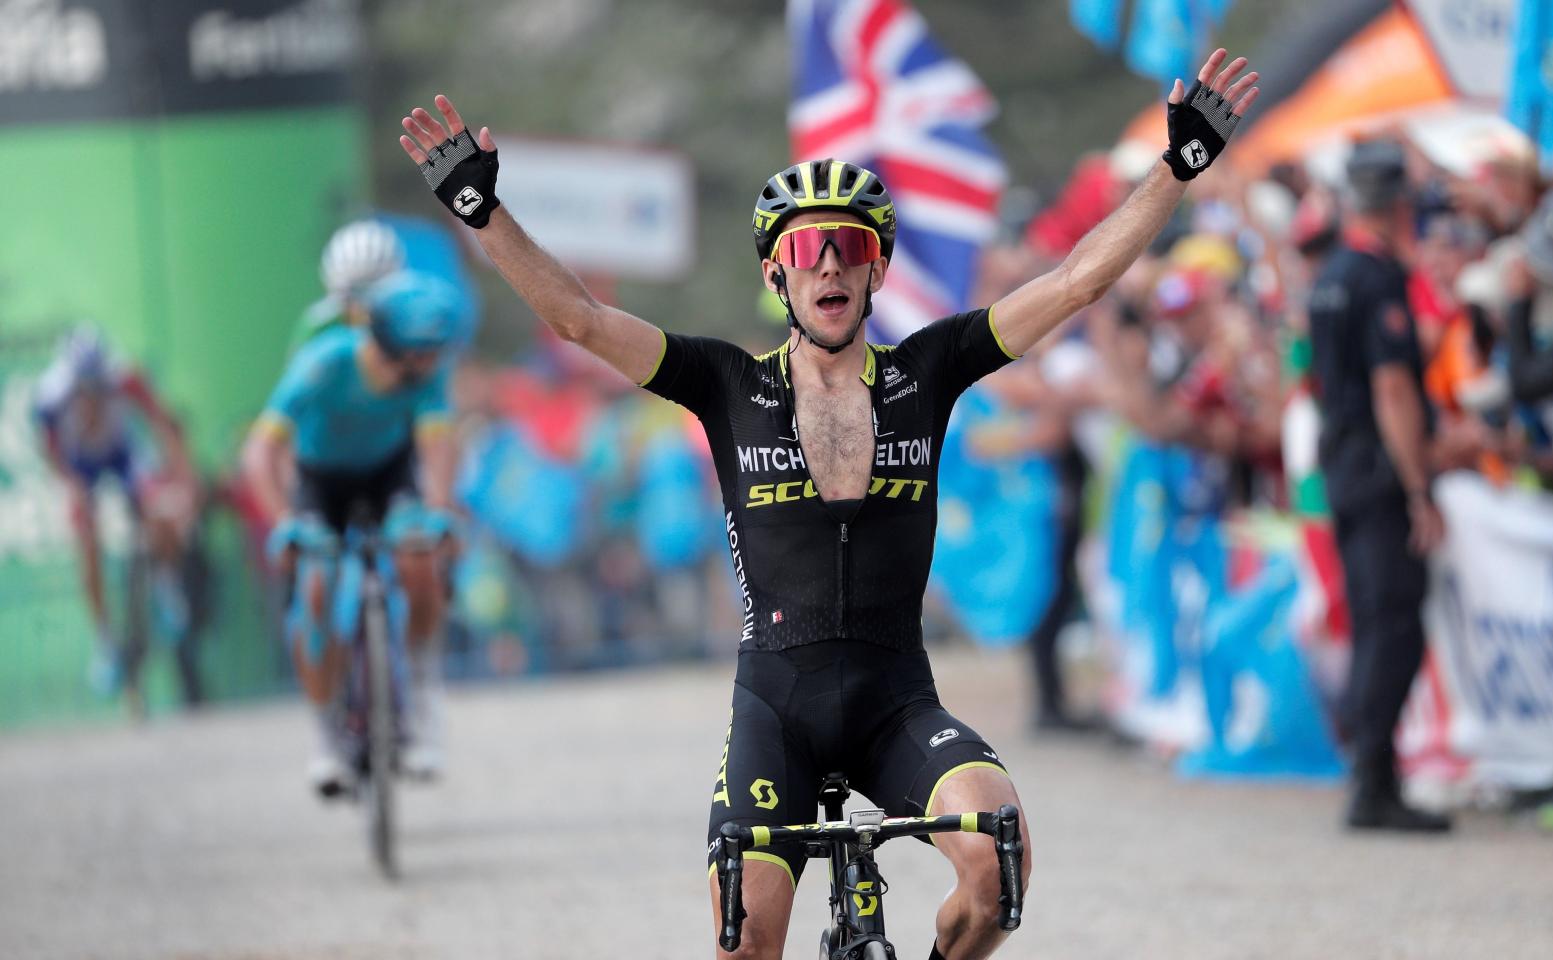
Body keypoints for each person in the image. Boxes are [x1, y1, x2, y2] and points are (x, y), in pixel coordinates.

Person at [397, 46, 1257, 960]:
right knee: (745, 941)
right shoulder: (724, 383)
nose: (831, 265)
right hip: (778, 707)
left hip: (897, 703)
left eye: (852, 246)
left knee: (1000, 863)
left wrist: (1179, 167)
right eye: (809, 248)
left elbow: (1076, 282)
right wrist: (479, 211)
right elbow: (578, 317)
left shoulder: (931, 368)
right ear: (778, 276)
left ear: (877, 270)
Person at [241, 271, 462, 794]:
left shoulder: (423, 376)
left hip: (388, 475)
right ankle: (325, 735)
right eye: (427, 352)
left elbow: (437, 444)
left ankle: (423, 686)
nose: (436, 363)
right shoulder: (323, 364)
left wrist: (441, 511)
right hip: (321, 482)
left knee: (419, 558)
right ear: (395, 346)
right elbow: (261, 451)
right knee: (316, 587)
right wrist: (283, 524)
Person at [1308, 139, 1452, 833]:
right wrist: (1419, 487)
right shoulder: (1376, 277)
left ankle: (1372, 777)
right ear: (1399, 206)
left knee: (1373, 620)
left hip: (1342, 463)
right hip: (1376, 468)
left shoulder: (1331, 273)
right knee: (1393, 623)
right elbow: (1393, 387)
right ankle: (1374, 784)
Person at [33, 328, 200, 698]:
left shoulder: (125, 376)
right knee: (85, 537)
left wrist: (182, 476)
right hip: (81, 462)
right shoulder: (50, 395)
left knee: (157, 504)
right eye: (84, 389)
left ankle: (166, 584)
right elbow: (49, 452)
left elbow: (163, 423)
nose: (93, 395)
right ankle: (105, 638)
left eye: (98, 386)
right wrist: (73, 487)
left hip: (122, 451)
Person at [289, 218, 406, 350]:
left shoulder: (412, 325)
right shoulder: (318, 326)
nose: (364, 312)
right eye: (352, 297)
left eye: (375, 297)